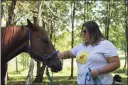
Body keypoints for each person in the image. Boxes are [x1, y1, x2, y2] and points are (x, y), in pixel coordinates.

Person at [57, 20, 120, 85]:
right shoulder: (81, 46)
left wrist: (99, 71)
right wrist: (59, 54)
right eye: (82, 31)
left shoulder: (105, 44)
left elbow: (116, 63)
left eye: (85, 31)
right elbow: (68, 54)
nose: (82, 33)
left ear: (93, 32)